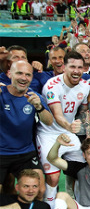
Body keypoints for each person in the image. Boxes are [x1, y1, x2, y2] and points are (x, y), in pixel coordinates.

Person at [36, 51, 90, 208]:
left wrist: (87, 135)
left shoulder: (85, 86)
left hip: (69, 133)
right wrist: (70, 126)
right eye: (72, 66)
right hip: (48, 134)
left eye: (80, 67)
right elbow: (57, 116)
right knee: (53, 179)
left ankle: (79, 206)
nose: (76, 70)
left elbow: (84, 111)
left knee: (82, 171)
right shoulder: (52, 86)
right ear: (65, 68)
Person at [0, 61, 53, 197]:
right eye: (19, 73)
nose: (24, 78)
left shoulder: (34, 96)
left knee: (40, 190)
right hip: (1, 152)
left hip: (25, 152)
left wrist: (39, 107)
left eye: (28, 75)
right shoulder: (1, 93)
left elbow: (48, 121)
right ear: (9, 74)